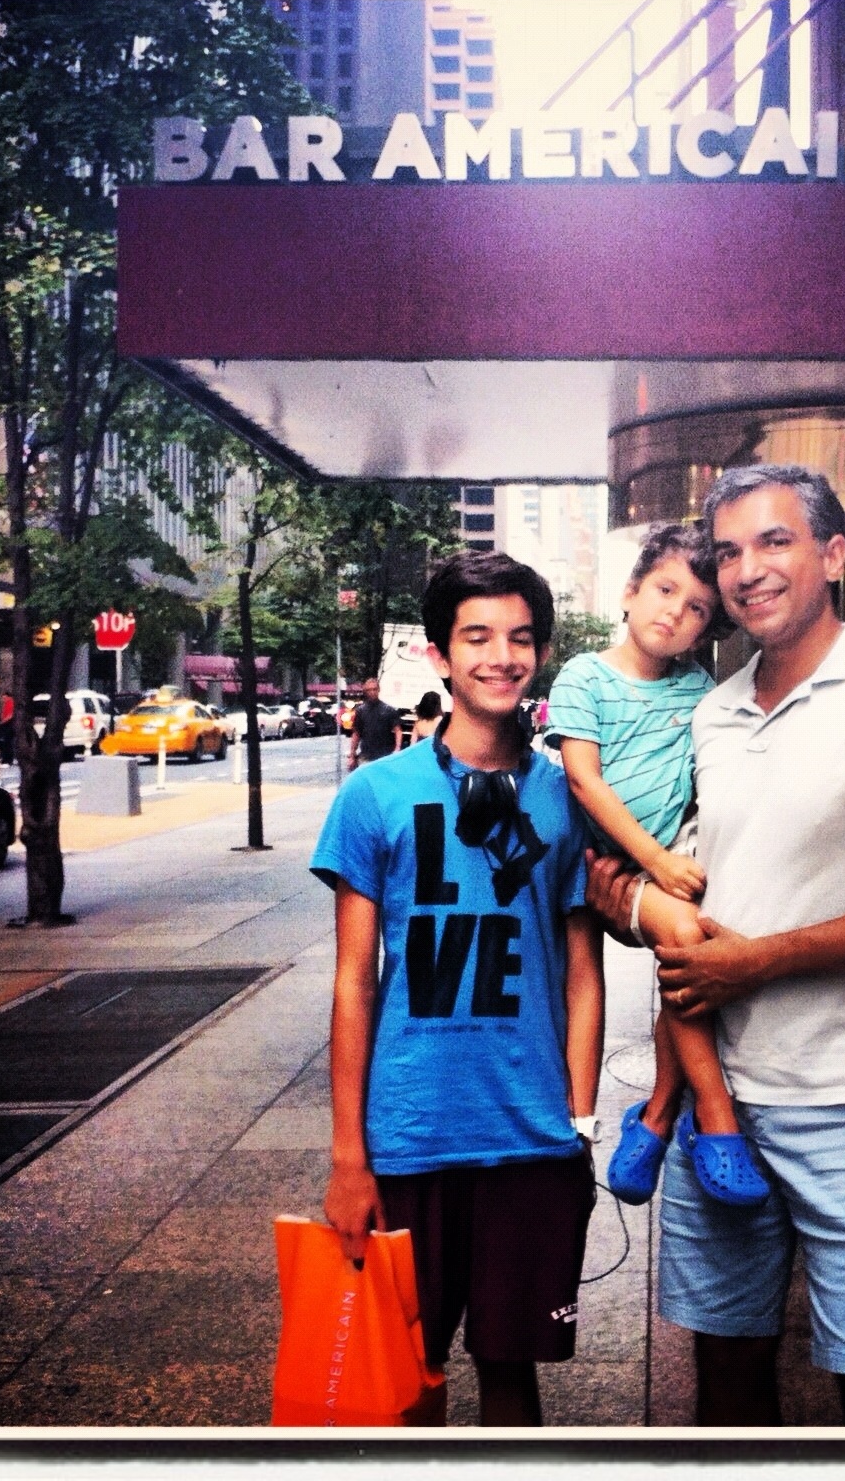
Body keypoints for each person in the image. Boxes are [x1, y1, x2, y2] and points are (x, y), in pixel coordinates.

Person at [587, 465, 845, 1428]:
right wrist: (627, 904)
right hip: (717, 1102)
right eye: (728, 552)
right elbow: (685, 880)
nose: (747, 570)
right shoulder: (710, 711)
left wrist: (759, 960)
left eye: (775, 542)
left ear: (834, 555)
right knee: (725, 1374)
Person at [312, 551, 604, 1428]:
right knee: (406, 1380)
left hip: (532, 1139)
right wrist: (349, 1156)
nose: (500, 657)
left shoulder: (570, 798)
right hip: (409, 1137)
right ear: (439, 654)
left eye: (520, 638)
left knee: (514, 1376)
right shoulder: (374, 794)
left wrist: (579, 1123)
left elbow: (584, 974)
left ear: (541, 652)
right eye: (477, 637)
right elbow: (353, 983)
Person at [547, 521, 766, 1208]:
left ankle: (657, 1116)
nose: (675, 612)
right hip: (621, 865)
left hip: (682, 857)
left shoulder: (698, 689)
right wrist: (656, 862)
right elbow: (584, 781)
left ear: (705, 632)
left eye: (696, 607)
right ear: (630, 592)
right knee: (685, 939)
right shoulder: (585, 677)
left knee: (688, 959)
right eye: (665, 590)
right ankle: (716, 1117)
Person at [348, 676, 401, 767]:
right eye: (369, 690)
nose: (372, 692)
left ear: (378, 690)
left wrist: (397, 749)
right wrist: (352, 755)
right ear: (365, 691)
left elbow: (398, 730)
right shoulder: (361, 711)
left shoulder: (389, 710)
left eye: (374, 689)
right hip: (366, 755)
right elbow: (356, 733)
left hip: (385, 755)